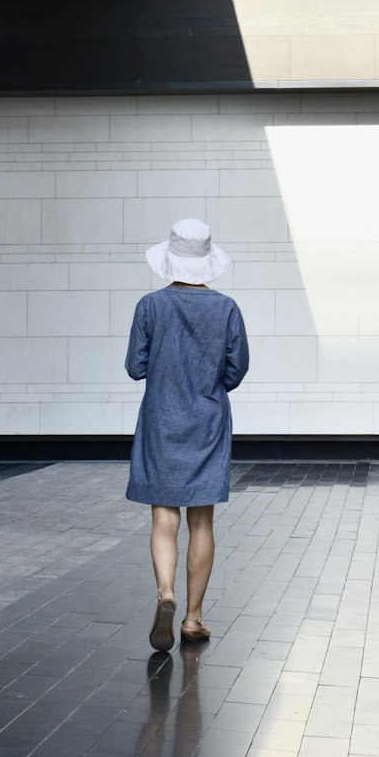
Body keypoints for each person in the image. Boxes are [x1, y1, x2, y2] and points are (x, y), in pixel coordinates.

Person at [125, 217, 250, 652]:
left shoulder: (150, 306)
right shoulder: (227, 308)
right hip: (208, 420)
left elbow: (135, 367)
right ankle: (194, 619)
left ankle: (166, 593)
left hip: (162, 417)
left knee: (164, 519)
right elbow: (236, 370)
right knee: (202, 521)